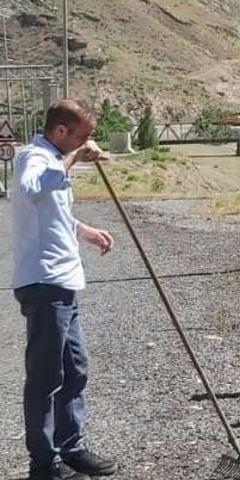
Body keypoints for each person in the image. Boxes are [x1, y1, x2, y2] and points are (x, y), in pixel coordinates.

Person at [11, 99, 117, 480]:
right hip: (43, 283)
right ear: (60, 131)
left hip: (64, 281)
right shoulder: (32, 157)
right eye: (82, 136)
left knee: (75, 369)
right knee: (44, 376)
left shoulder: (52, 158)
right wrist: (73, 159)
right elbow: (33, 189)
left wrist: (84, 231)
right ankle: (43, 464)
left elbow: (51, 213)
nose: (87, 143)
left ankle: (71, 448)